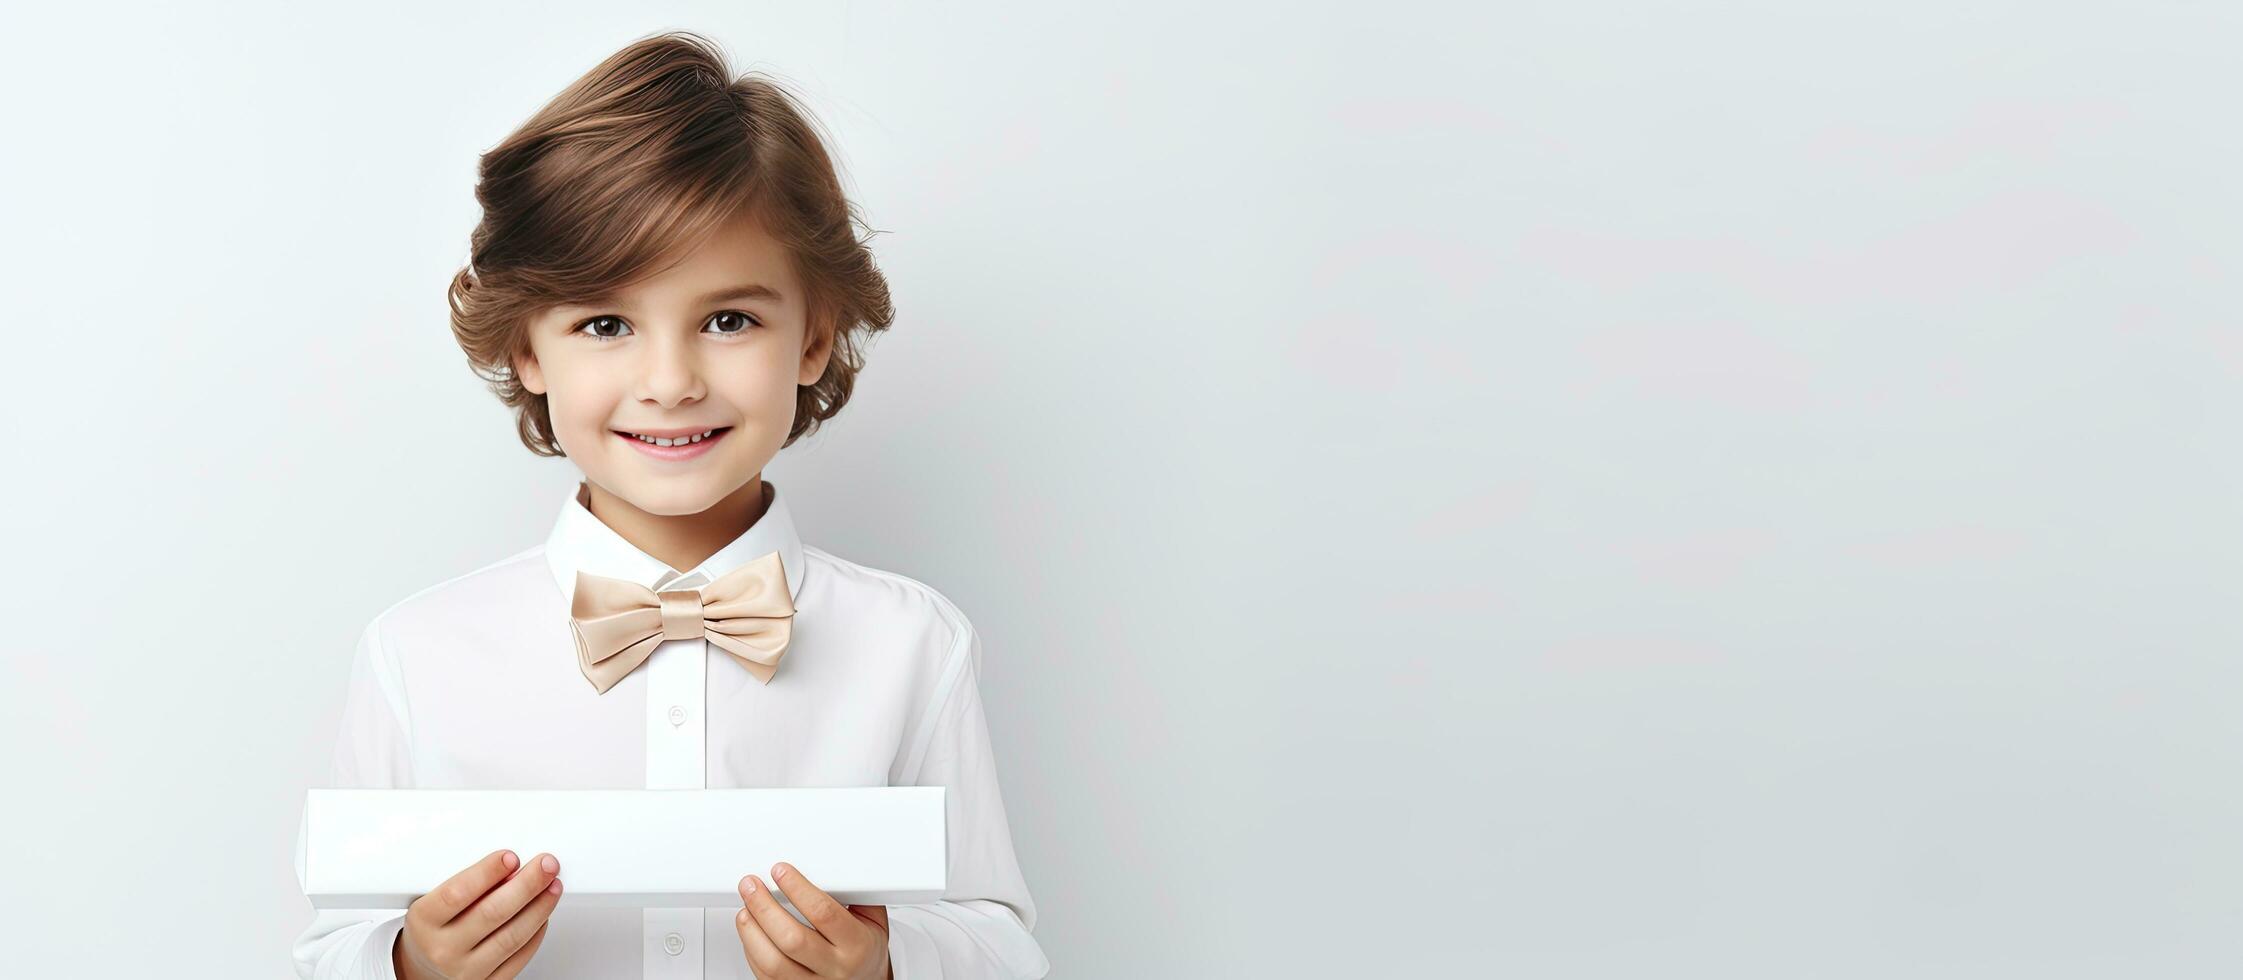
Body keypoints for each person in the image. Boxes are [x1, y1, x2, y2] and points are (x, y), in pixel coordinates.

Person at [291, 31, 1049, 980]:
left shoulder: (913, 645)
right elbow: (330, 947)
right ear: (527, 350)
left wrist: (889, 966)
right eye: (604, 324)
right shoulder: (417, 654)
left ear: (813, 337)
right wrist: (409, 965)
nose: (670, 381)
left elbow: (1001, 940)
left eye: (728, 321)